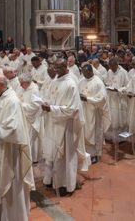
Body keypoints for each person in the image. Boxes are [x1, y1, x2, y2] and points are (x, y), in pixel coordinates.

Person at [0, 73, 34, 221]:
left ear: (2, 85)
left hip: (8, 152)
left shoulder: (12, 101)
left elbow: (12, 129)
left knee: (9, 187)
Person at [41, 59, 88, 196]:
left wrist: (52, 108)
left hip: (66, 126)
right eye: (55, 67)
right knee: (52, 153)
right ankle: (51, 179)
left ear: (66, 66)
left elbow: (72, 110)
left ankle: (66, 184)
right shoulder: (56, 80)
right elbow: (50, 97)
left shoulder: (71, 84)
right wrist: (45, 104)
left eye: (59, 67)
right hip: (54, 122)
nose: (56, 70)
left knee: (65, 156)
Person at [78, 64, 110, 163]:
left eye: (86, 73)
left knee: (94, 132)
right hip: (83, 110)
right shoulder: (81, 81)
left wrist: (87, 98)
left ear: (91, 71)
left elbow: (102, 99)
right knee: (84, 131)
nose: (84, 75)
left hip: (94, 112)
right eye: (83, 73)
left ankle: (95, 154)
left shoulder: (98, 82)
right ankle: (85, 153)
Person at [17, 73, 43, 163]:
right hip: (22, 117)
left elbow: (35, 106)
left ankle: (28, 161)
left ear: (28, 82)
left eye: (22, 83)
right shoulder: (22, 88)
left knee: (29, 141)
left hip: (30, 119)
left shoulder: (34, 90)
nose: (20, 85)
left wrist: (20, 105)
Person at [105, 58, 129, 138]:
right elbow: (108, 82)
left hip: (120, 97)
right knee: (112, 116)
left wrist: (119, 90)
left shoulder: (123, 72)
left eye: (113, 67)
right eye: (110, 67)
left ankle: (120, 136)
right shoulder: (109, 71)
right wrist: (108, 87)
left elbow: (128, 86)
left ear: (117, 65)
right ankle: (112, 135)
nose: (111, 69)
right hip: (111, 97)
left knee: (120, 117)